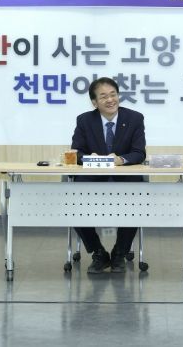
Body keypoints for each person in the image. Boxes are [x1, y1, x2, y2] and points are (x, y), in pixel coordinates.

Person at [71, 77, 146, 274]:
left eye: (113, 94)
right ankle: (98, 252)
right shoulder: (84, 120)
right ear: (94, 102)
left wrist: (120, 159)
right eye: (103, 96)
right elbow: (76, 152)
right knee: (72, 202)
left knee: (135, 200)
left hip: (125, 179)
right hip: (94, 179)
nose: (110, 100)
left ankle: (120, 252)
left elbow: (139, 153)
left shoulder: (135, 118)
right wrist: (90, 158)